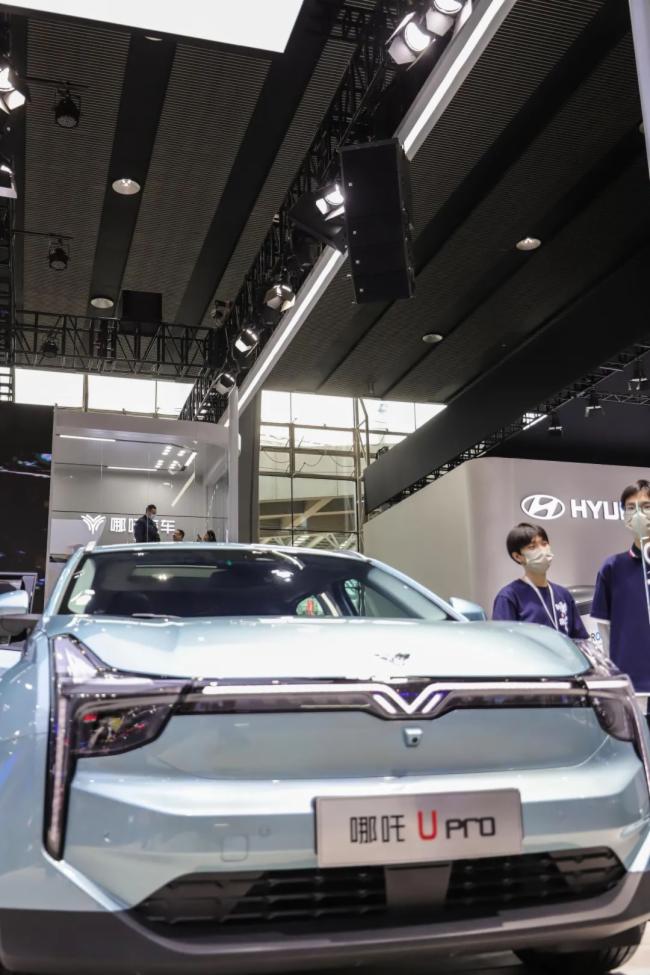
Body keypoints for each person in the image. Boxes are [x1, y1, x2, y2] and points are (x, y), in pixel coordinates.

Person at [592, 479, 650, 692]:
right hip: (631, 683)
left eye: (646, 506)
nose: (638, 514)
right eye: (631, 508)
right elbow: (604, 630)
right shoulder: (612, 567)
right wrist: (612, 676)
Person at [492, 522, 588, 639]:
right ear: (518, 556)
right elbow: (503, 641)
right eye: (532, 547)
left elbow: (580, 640)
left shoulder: (563, 594)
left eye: (544, 544)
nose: (542, 550)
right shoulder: (509, 597)